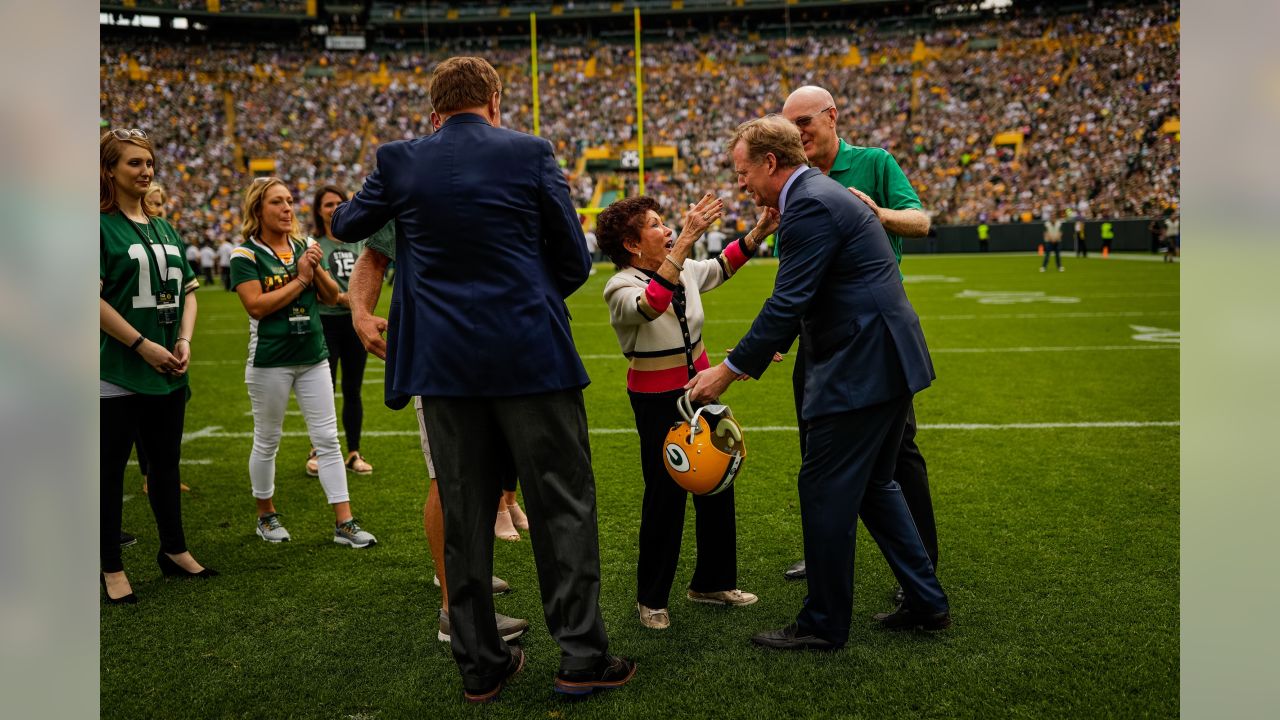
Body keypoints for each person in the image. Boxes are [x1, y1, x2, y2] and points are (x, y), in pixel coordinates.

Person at [330, 56, 633, 702]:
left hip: (444, 369)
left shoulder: (399, 159)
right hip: (531, 357)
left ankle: (480, 666)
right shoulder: (530, 152)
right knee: (562, 506)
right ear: (495, 99)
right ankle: (580, 657)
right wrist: (529, 295)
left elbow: (346, 225)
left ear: (434, 109)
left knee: (465, 516)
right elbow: (575, 260)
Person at [687, 116, 950, 650]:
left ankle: (823, 623)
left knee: (825, 487)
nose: (741, 184)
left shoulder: (807, 202)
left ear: (769, 162)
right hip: (885, 358)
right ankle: (926, 601)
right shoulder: (815, 193)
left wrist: (729, 370)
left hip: (862, 365)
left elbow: (788, 300)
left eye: (743, 172)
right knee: (876, 485)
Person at [778, 86, 940, 604]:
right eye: (789, 126)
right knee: (815, 449)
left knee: (898, 453)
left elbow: (921, 220)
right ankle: (824, 552)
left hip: (871, 335)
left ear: (832, 116)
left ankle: (922, 564)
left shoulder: (873, 162)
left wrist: (877, 213)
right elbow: (793, 267)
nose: (797, 133)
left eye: (804, 121)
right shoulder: (794, 182)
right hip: (816, 331)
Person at [598, 192, 776, 631]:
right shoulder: (619, 286)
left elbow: (721, 266)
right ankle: (652, 597)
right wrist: (687, 240)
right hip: (656, 400)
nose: (669, 229)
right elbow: (650, 305)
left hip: (701, 390)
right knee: (666, 494)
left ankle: (713, 582)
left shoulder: (684, 269)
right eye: (656, 225)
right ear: (632, 245)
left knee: (717, 480)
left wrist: (759, 230)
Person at [346, 224, 530, 646]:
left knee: (481, 474)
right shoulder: (418, 180)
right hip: (440, 353)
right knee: (447, 477)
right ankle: (455, 610)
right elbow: (374, 254)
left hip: (498, 346)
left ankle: (467, 580)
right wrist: (360, 313)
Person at [99, 128, 217, 604]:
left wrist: (183, 339)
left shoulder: (163, 226)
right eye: (134, 163)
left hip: (168, 366)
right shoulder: (95, 225)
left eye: (149, 163)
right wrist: (142, 344)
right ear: (108, 170)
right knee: (108, 473)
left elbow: (189, 291)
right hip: (116, 368)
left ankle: (174, 550)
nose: (146, 171)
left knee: (165, 465)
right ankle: (109, 564)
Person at [229, 177, 377, 550]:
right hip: (271, 360)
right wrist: (300, 279)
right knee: (267, 440)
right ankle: (266, 515)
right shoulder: (244, 255)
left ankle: (344, 521)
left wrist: (316, 270)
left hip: (313, 356)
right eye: (277, 202)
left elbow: (328, 295)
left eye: (290, 201)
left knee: (327, 439)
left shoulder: (306, 245)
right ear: (257, 210)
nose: (286, 208)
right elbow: (257, 306)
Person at [305, 185, 374, 478]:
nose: (334, 208)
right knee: (324, 389)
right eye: (327, 204)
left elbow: (371, 279)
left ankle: (354, 451)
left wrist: (356, 304)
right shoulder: (313, 243)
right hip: (325, 323)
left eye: (338, 203)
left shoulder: (358, 241)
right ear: (318, 211)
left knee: (353, 390)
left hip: (354, 323)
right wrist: (349, 300)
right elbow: (319, 291)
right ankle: (318, 449)